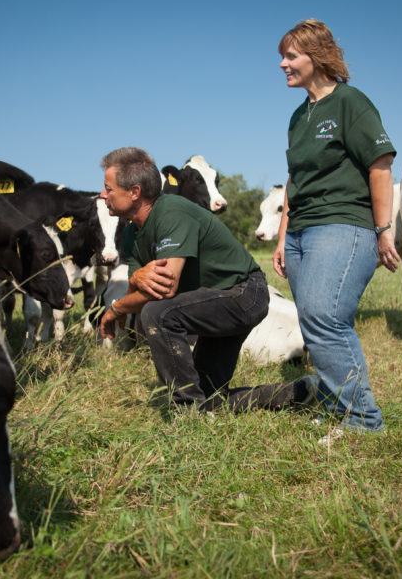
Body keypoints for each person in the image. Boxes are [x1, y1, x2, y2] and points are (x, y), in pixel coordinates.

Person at [271, 18, 399, 439]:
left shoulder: (350, 102)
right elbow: (294, 181)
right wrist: (282, 235)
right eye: (282, 57)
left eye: (290, 56)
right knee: (312, 323)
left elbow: (380, 166)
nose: (283, 65)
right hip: (300, 232)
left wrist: (384, 229)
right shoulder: (298, 117)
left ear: (316, 56)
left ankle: (364, 421)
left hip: (343, 224)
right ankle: (334, 408)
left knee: (326, 318)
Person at [97, 147, 271, 410]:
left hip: (244, 294)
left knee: (159, 312)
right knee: (211, 397)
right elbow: (137, 287)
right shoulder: (132, 232)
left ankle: (187, 412)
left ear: (134, 192)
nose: (103, 195)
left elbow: (164, 288)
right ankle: (298, 393)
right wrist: (137, 281)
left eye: (108, 188)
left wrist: (116, 308)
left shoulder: (172, 211)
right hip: (213, 298)